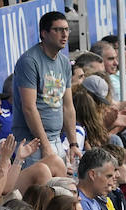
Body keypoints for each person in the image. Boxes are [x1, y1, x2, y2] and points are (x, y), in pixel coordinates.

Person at [11, 11, 78, 177]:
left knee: (61, 195)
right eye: (58, 30)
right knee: (39, 196)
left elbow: (68, 106)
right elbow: (29, 107)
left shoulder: (63, 62)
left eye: (67, 29)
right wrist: (45, 146)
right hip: (32, 142)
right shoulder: (29, 61)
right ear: (44, 33)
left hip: (56, 139)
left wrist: (73, 143)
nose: (64, 34)